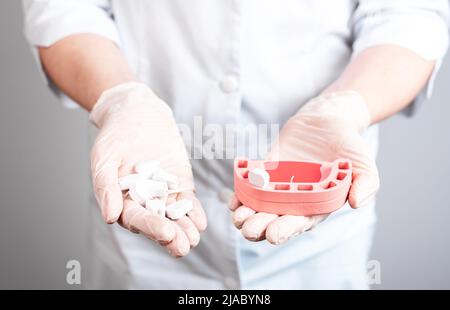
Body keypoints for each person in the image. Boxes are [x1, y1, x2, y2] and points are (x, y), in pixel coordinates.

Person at [22, 0, 449, 289]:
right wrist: (119, 99)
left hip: (320, 239)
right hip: (141, 239)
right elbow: (64, 9)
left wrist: (345, 108)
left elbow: (410, 14)